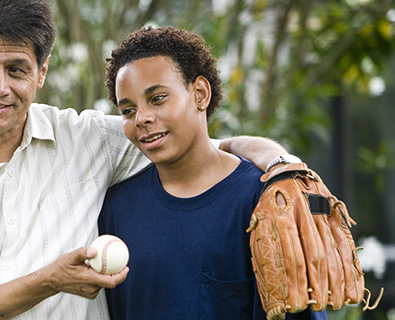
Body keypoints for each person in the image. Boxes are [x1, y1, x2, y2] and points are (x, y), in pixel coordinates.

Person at [0, 1, 299, 319]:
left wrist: (283, 167)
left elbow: (198, 142)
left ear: (42, 73)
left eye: (16, 69)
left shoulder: (86, 140)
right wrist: (49, 281)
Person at [99, 26, 326, 319]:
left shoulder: (262, 201)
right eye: (127, 110)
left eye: (157, 98)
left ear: (200, 94)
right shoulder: (117, 208)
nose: (142, 118)